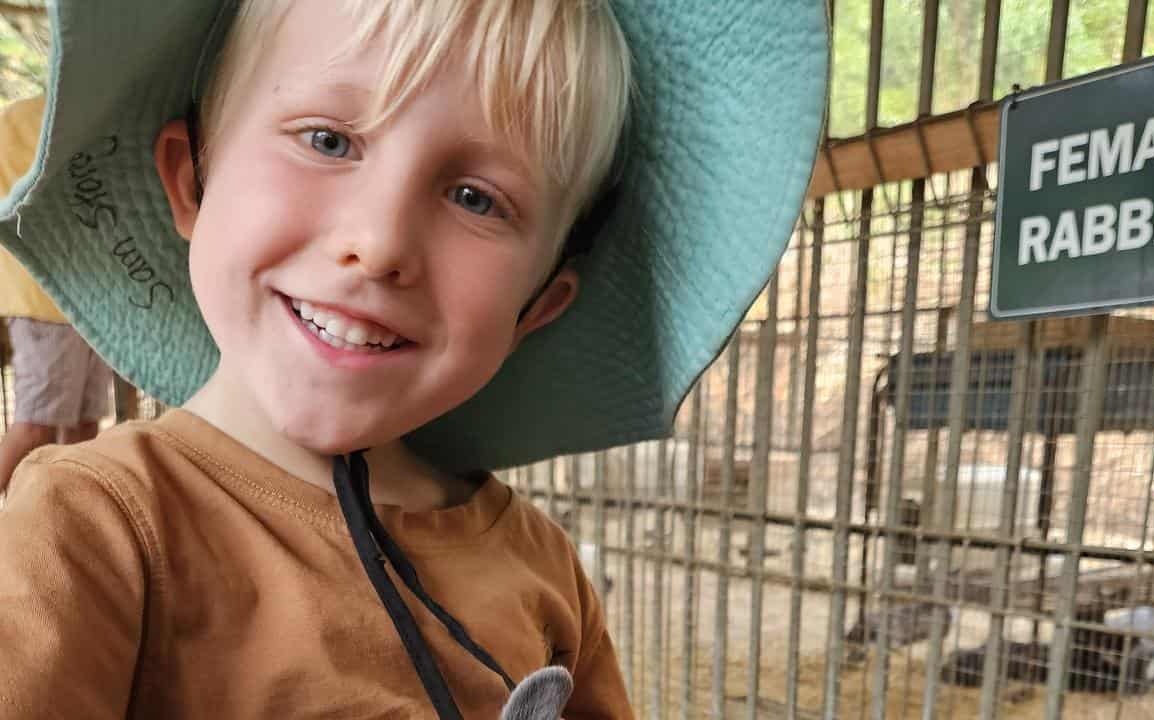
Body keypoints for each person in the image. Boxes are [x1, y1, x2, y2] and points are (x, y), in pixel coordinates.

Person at [0, 1, 827, 718]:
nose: (380, 242)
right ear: (193, 181)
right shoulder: (94, 533)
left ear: (534, 309)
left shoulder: (542, 571)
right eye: (327, 140)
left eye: (477, 198)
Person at [0, 95, 114, 498]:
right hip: (42, 296)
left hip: (89, 300)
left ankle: (68, 515)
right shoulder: (20, 120)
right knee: (34, 425)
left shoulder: (96, 114)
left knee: (84, 424)